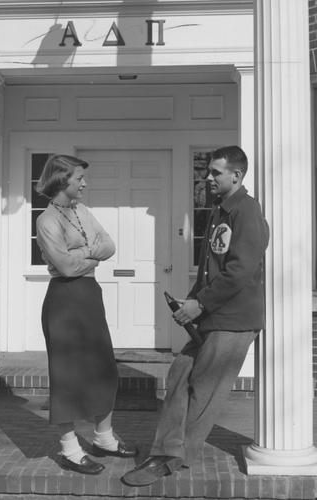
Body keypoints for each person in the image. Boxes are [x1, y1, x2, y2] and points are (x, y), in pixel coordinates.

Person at [122, 145, 269, 487]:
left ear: (237, 175)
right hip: (212, 315)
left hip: (234, 320)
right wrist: (192, 305)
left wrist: (200, 305)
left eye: (216, 172)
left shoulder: (246, 211)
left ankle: (171, 459)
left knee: (204, 390)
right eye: (210, 172)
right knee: (179, 375)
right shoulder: (221, 210)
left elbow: (240, 271)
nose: (209, 177)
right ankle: (165, 450)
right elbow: (209, 270)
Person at [36, 154, 137, 476]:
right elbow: (64, 267)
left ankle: (103, 438)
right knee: (67, 376)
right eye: (79, 178)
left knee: (104, 369)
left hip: (90, 297)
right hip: (64, 300)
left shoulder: (82, 211)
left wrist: (81, 254)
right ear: (62, 179)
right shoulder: (46, 220)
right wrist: (89, 256)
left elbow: (109, 245)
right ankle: (69, 449)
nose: (84, 183)